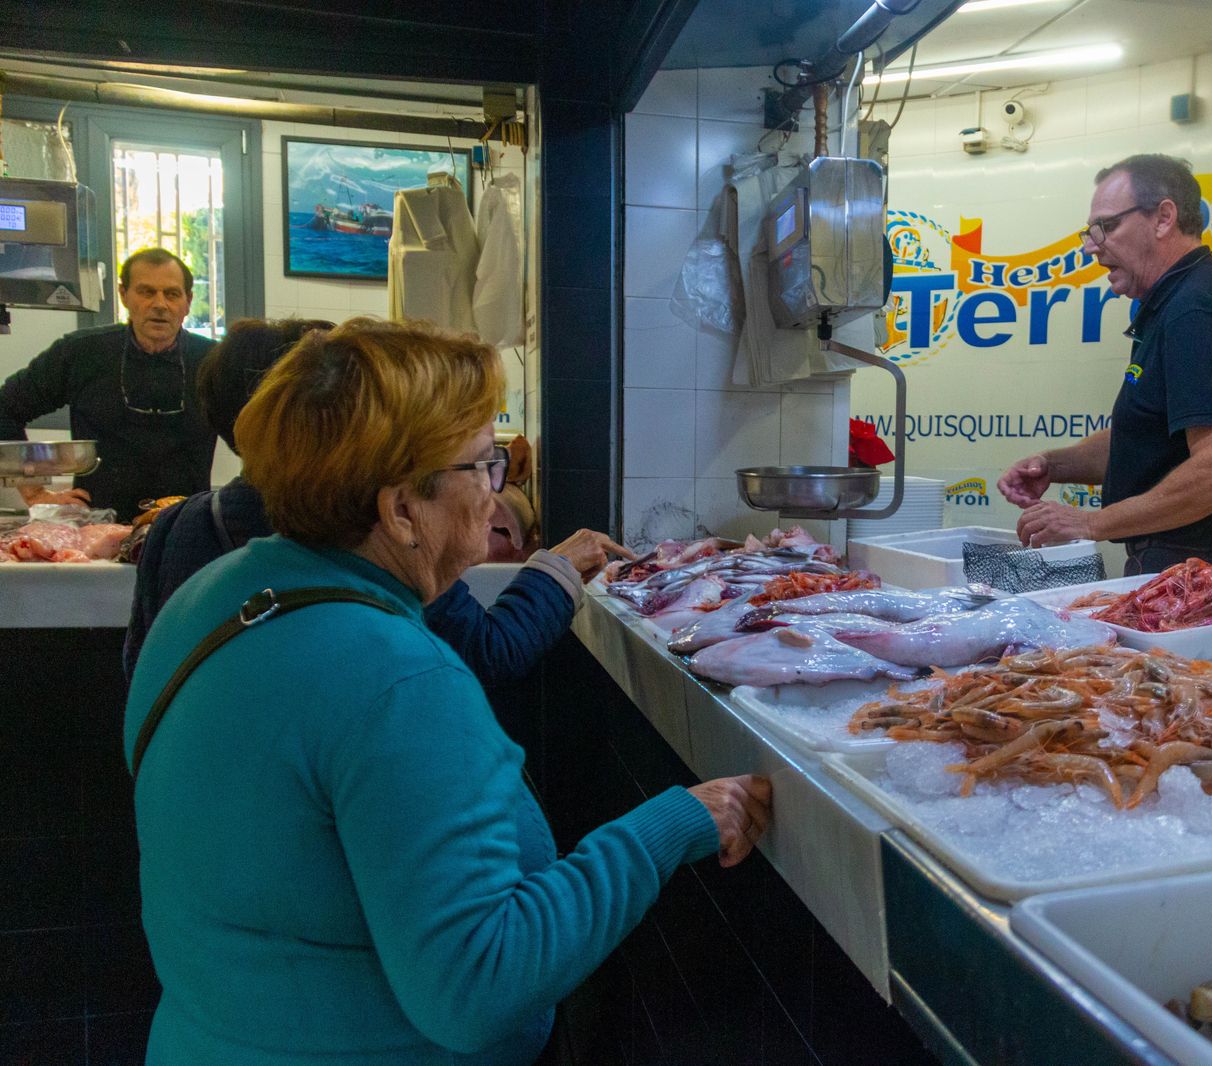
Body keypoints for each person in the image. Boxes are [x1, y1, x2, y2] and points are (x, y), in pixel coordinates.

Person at [125, 318, 771, 1064]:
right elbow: (478, 987)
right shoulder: (400, 679)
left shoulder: (207, 597)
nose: (497, 496)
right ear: (401, 509)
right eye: (483, 466)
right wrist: (675, 823)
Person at [121, 317, 629, 683]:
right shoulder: (375, 559)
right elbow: (485, 651)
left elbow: (141, 676)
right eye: (478, 464)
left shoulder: (179, 534)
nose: (489, 493)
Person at [996, 154, 1212, 576]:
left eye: (1107, 226)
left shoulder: (1196, 308)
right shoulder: (1175, 302)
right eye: (1090, 232)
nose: (1091, 246)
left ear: (1164, 218)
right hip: (1188, 565)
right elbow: (1145, 440)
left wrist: (1089, 523)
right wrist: (1053, 465)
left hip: (1207, 573)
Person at [0, 248, 218, 521]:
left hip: (186, 525)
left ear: (188, 301)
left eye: (172, 294)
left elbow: (257, 433)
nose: (160, 304)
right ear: (124, 295)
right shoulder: (81, 352)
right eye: (147, 292)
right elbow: (4, 409)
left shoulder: (214, 362)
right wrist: (34, 493)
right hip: (97, 527)